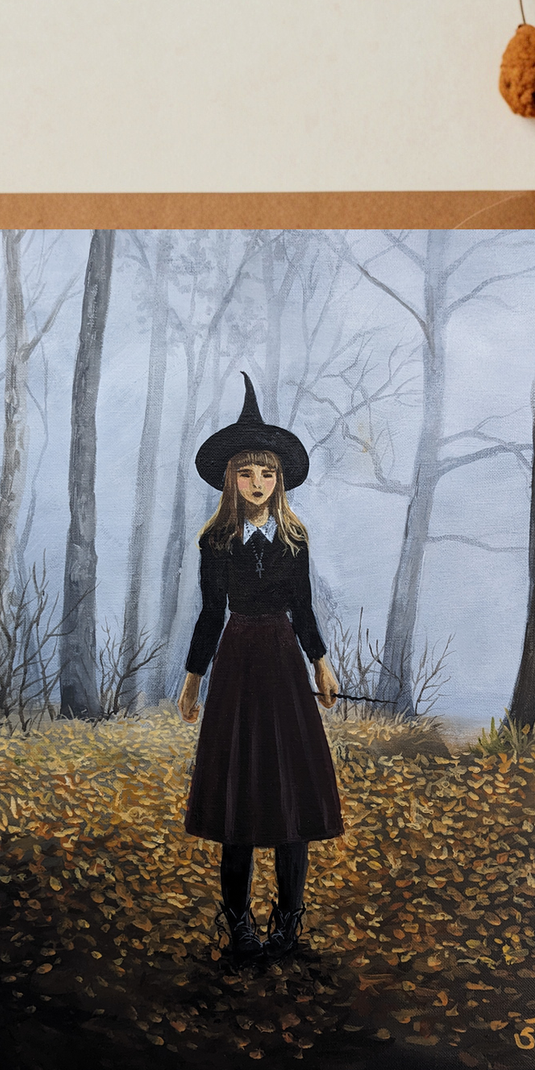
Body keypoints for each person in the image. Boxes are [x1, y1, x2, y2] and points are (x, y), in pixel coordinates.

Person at [178, 372, 343, 964]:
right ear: (230, 478)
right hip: (236, 673)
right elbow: (209, 614)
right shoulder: (214, 543)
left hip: (282, 672)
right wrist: (194, 677)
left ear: (279, 480)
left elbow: (303, 609)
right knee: (237, 799)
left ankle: (290, 922)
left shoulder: (294, 539)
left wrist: (320, 663)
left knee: (290, 796)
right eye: (246, 472)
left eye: (266, 472)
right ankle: (239, 923)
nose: (257, 482)